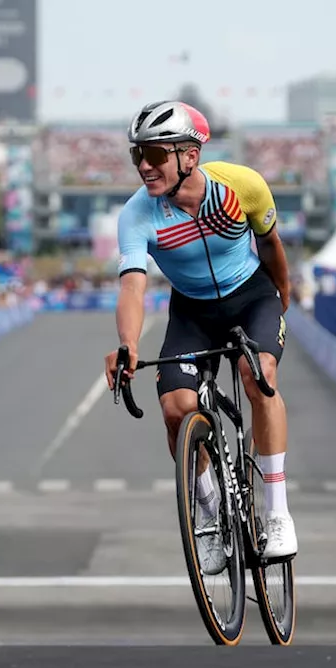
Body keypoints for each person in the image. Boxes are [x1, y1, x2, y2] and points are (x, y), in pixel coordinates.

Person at [102, 100, 296, 575]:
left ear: (190, 155)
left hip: (252, 298)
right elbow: (132, 283)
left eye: (154, 154)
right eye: (137, 156)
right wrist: (128, 343)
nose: (144, 166)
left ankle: (276, 510)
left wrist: (283, 301)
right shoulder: (137, 215)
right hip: (192, 310)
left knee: (259, 376)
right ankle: (208, 518)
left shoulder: (242, 186)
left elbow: (271, 245)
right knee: (175, 408)